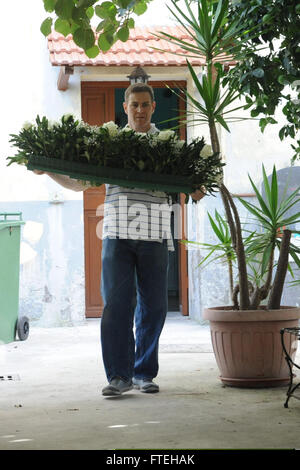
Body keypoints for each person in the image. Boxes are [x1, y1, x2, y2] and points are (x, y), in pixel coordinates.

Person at [34, 83, 204, 396]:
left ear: (153, 107)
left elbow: (194, 186)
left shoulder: (168, 146)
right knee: (116, 306)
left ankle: (143, 373)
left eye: (144, 105)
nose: (139, 110)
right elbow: (81, 182)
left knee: (153, 307)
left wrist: (197, 187)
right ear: (125, 108)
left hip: (154, 234)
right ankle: (118, 377)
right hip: (116, 234)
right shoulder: (110, 144)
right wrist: (48, 172)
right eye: (134, 105)